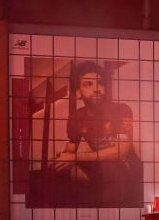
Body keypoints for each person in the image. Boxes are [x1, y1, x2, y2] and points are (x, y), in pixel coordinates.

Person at [50, 61, 141, 207]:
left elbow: (121, 151)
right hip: (99, 166)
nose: (97, 89)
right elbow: (71, 149)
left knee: (110, 169)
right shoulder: (77, 116)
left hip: (125, 168)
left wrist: (73, 157)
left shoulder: (121, 109)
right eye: (88, 84)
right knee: (58, 169)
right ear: (78, 91)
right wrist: (63, 158)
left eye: (100, 83)